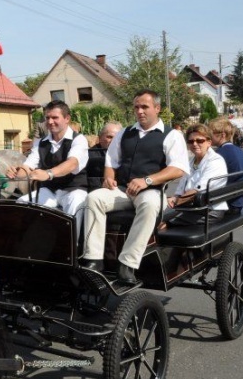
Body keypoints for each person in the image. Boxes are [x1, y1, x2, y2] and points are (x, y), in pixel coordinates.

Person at [80, 90, 189, 284]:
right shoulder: (125, 132)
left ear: (157, 108)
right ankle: (94, 260)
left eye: (144, 107)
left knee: (149, 205)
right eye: (136, 107)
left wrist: (147, 180)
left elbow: (178, 169)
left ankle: (127, 264)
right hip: (122, 190)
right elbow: (111, 160)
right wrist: (108, 178)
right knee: (93, 198)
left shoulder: (172, 135)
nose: (139, 111)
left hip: (152, 191)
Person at [7, 100, 89, 219]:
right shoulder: (40, 143)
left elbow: (72, 164)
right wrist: (16, 173)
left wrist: (48, 174)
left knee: (76, 205)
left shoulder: (78, 140)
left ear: (67, 118)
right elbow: (29, 166)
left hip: (73, 190)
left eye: (55, 117)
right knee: (22, 203)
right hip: (49, 190)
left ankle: (74, 238)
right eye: (47, 118)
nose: (50, 122)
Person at [164, 124, 229, 226]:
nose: (194, 144)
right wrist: (174, 197)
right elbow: (182, 185)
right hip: (191, 206)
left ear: (209, 142)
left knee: (162, 223)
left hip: (209, 210)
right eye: (191, 141)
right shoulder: (190, 161)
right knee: (157, 216)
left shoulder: (215, 161)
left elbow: (198, 190)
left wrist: (175, 201)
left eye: (199, 141)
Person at [209, 117, 243, 214]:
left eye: (211, 134)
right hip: (237, 201)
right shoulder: (238, 150)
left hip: (226, 203)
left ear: (222, 135)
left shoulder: (219, 154)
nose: (208, 137)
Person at [85, 121, 123, 190]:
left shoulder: (126, 154)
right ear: (100, 138)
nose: (113, 141)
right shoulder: (88, 155)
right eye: (109, 137)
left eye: (117, 137)